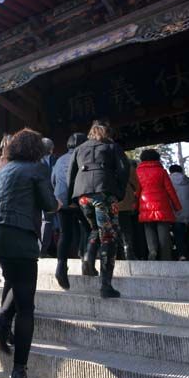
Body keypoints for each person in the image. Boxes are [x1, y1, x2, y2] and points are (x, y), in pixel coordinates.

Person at [0, 128, 57, 378]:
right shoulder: (37, 168)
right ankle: (19, 373)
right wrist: (58, 203)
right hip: (19, 233)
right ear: (36, 149)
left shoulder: (3, 168)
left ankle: (2, 322)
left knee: (14, 280)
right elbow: (48, 204)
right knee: (26, 306)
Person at [67, 122, 129, 297]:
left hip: (83, 195)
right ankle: (106, 285)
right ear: (107, 133)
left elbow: (70, 173)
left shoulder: (79, 149)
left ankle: (88, 260)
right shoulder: (112, 146)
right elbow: (123, 170)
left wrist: (70, 198)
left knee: (95, 228)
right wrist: (119, 191)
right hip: (104, 192)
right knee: (109, 235)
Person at [51, 133, 87, 288]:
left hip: (60, 199)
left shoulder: (59, 159)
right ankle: (86, 258)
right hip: (78, 197)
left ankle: (61, 267)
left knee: (65, 234)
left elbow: (53, 180)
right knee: (89, 228)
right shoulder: (83, 156)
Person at [136, 149, 181, 261]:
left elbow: (137, 191)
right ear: (157, 158)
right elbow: (170, 190)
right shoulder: (161, 171)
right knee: (163, 230)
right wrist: (177, 206)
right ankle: (166, 255)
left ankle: (153, 251)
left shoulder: (138, 172)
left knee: (149, 229)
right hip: (162, 203)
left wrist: (135, 206)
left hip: (145, 203)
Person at [169, 165, 189, 261]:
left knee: (179, 235)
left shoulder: (169, 180)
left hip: (176, 211)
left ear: (170, 171)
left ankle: (182, 254)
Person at [114, 151, 141, 261]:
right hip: (124, 201)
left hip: (110, 201)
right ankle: (128, 252)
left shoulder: (106, 165)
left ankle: (115, 254)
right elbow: (136, 184)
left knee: (111, 229)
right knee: (126, 228)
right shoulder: (128, 166)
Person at [39, 137, 57, 256]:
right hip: (46, 194)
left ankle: (44, 249)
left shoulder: (35, 160)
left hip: (46, 194)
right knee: (46, 222)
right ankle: (42, 250)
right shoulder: (49, 160)